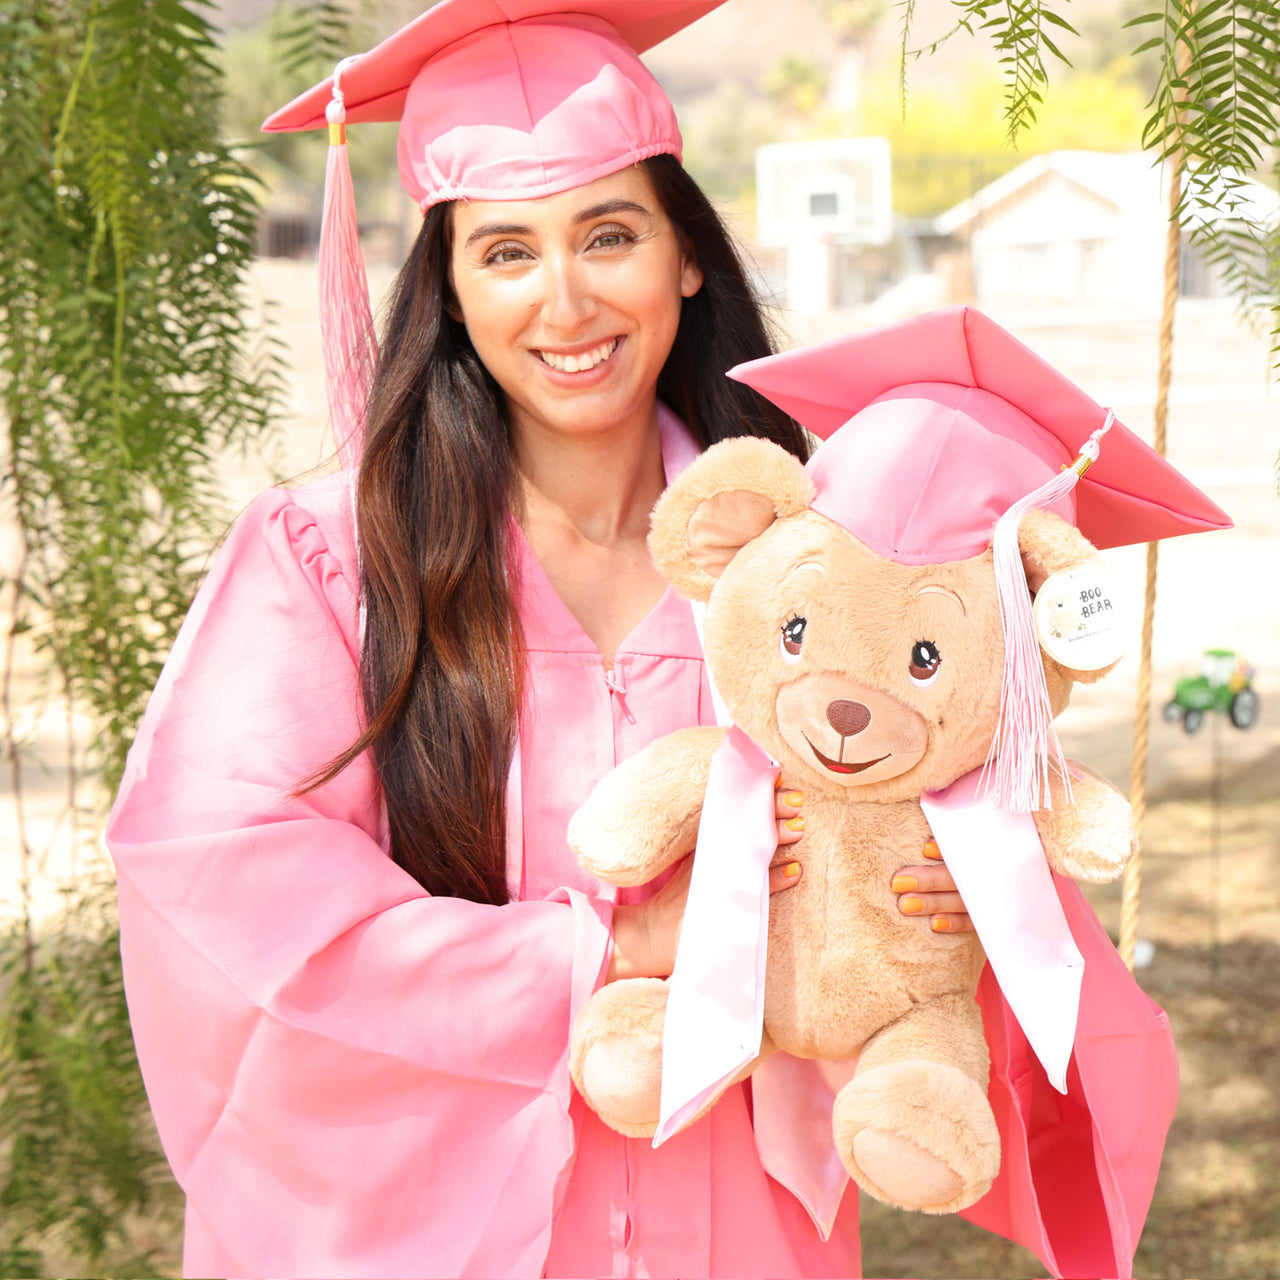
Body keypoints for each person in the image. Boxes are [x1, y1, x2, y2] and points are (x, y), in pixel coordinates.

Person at [105, 3, 1179, 1276]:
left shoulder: (820, 559)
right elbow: (229, 882)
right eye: (505, 251)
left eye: (608, 234)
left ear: (683, 254)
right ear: (446, 284)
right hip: (421, 1226)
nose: (564, 300)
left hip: (731, 1225)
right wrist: (601, 951)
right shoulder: (330, 559)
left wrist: (960, 883)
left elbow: (939, 801)